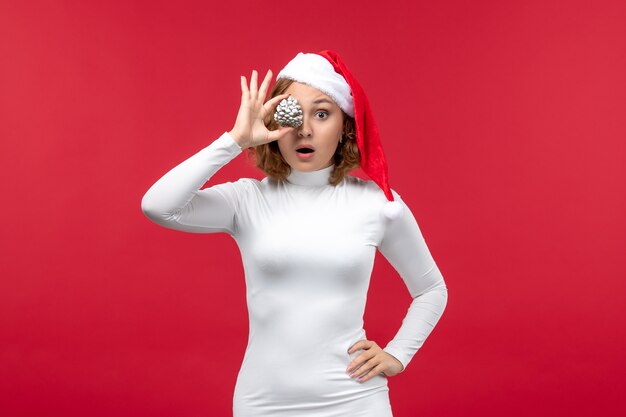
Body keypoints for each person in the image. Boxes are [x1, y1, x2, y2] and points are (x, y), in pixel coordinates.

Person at [141, 50, 448, 417]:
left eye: (322, 113)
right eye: (291, 112)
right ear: (274, 122)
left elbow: (431, 289)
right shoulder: (246, 199)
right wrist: (235, 140)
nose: (305, 129)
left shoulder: (377, 204)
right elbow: (159, 205)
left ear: (345, 126)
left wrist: (398, 354)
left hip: (353, 400)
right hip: (264, 402)